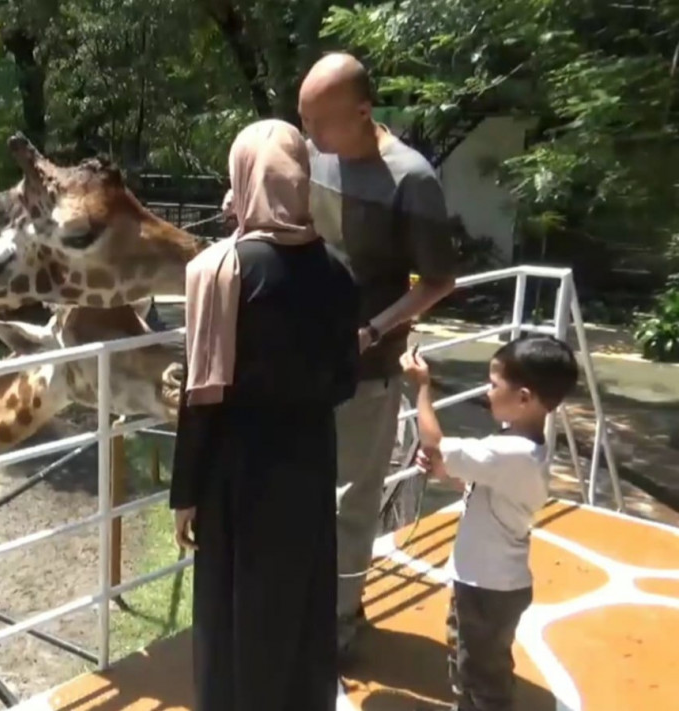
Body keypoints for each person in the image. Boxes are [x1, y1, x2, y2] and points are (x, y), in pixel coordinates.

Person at [170, 119, 360, 710]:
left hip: (238, 473)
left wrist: (185, 495)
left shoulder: (218, 270)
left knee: (236, 615)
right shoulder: (337, 270)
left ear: (243, 177)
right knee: (299, 606)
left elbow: (203, 398)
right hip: (309, 462)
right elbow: (346, 380)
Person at [297, 51, 460, 658]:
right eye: (304, 122)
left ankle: (337, 624)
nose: (310, 138)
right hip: (303, 359)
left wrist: (376, 329)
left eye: (320, 125)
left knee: (350, 500)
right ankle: (311, 602)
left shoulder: (412, 179)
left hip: (365, 369)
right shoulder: (316, 154)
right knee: (301, 489)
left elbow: (439, 281)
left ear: (363, 113)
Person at [401, 336, 578, 711]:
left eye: (494, 385)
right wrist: (447, 472)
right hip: (490, 583)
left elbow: (433, 444)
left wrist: (422, 388)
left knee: (483, 676)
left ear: (524, 398)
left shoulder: (509, 452)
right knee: (470, 661)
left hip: (488, 587)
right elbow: (481, 483)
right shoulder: (527, 442)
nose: (487, 391)